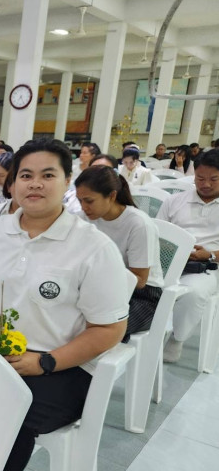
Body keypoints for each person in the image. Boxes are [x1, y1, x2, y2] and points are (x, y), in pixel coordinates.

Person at [0, 138, 129, 471]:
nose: (35, 184)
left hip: (63, 366)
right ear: (12, 183)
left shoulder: (93, 248)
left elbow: (109, 330)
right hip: (0, 354)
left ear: (67, 181)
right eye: (26, 175)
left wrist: (45, 362)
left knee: (9, 414)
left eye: (48, 175)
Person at [75, 166, 163, 341]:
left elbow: (140, 280)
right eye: (80, 201)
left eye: (89, 201)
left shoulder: (138, 224)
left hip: (142, 297)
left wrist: (99, 271)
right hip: (97, 287)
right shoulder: (82, 219)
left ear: (112, 196)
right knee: (59, 317)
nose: (84, 207)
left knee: (96, 327)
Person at [159, 149, 219, 362]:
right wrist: (175, 250)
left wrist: (210, 255)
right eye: (200, 178)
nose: (206, 184)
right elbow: (157, 234)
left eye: (214, 179)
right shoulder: (174, 201)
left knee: (192, 292)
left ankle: (177, 339)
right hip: (169, 261)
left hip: (209, 267)